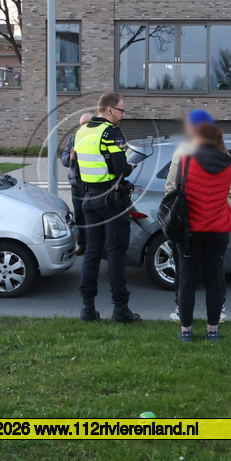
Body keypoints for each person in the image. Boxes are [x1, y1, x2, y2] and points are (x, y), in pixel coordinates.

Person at [74, 92, 140, 323]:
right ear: (110, 110)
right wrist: (131, 166)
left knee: (92, 253)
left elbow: (79, 167)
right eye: (121, 110)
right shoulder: (110, 132)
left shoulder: (82, 131)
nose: (123, 115)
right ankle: (121, 309)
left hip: (89, 198)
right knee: (116, 253)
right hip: (111, 199)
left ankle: (87, 309)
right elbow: (121, 168)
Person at [165, 110, 231, 323]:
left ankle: (182, 314)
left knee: (185, 273)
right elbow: (229, 191)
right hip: (217, 225)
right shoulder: (225, 155)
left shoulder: (183, 152)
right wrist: (215, 210)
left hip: (188, 224)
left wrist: (175, 213)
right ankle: (218, 313)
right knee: (215, 272)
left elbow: (171, 186)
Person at [61, 113, 93, 255]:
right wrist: (71, 157)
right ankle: (82, 244)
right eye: (81, 125)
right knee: (79, 215)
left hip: (92, 184)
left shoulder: (96, 139)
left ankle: (93, 245)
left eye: (86, 124)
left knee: (92, 216)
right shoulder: (74, 138)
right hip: (77, 184)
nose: (83, 127)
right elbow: (64, 159)